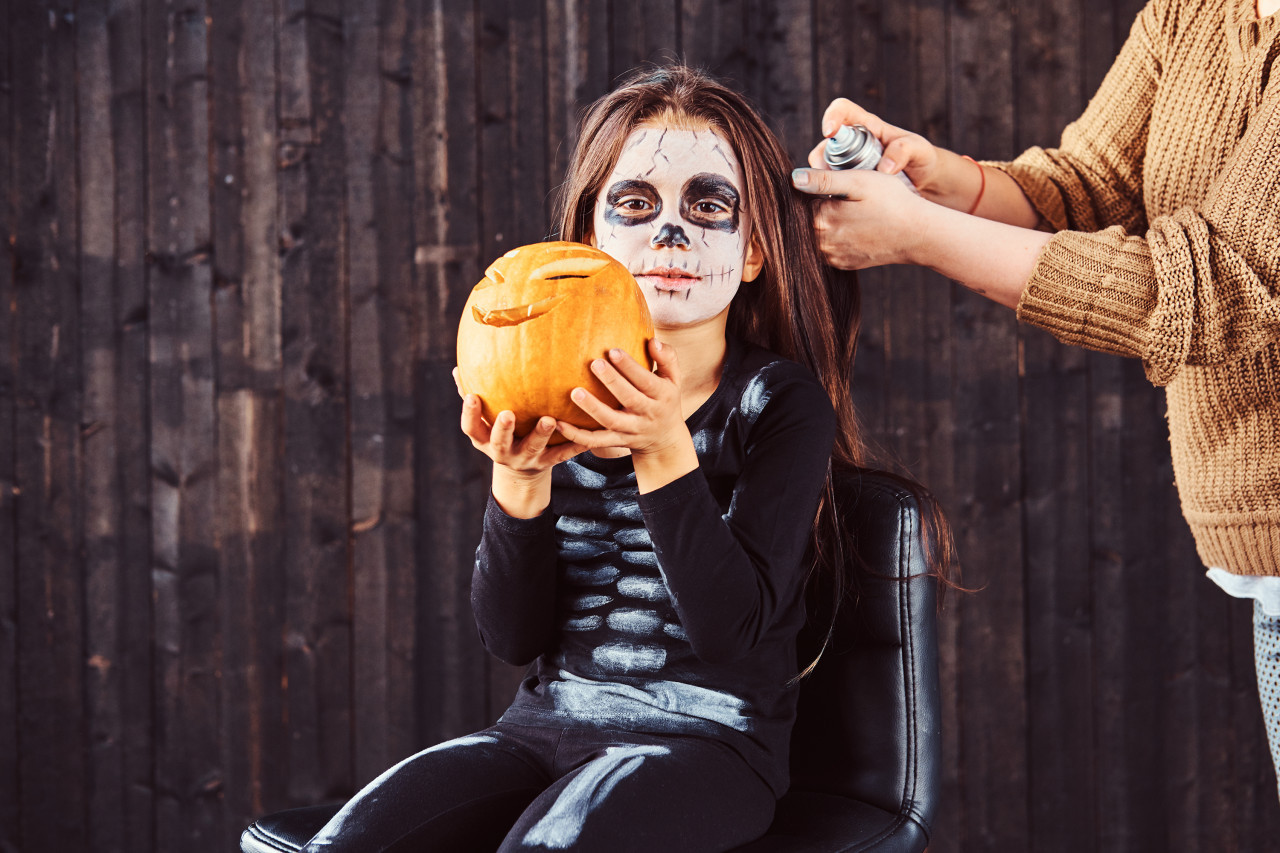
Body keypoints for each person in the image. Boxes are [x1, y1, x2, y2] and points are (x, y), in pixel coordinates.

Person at [302, 64, 898, 853]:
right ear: (591, 240)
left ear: (753, 251)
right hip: (544, 729)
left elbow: (732, 633)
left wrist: (662, 447)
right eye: (637, 207)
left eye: (708, 206)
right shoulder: (553, 393)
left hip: (710, 743)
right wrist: (516, 482)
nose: (671, 235)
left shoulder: (777, 404)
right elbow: (512, 639)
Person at [790, 0, 1280, 792]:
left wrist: (920, 234)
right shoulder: (1197, 11)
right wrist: (946, 180)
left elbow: (1213, 285)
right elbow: (1091, 185)